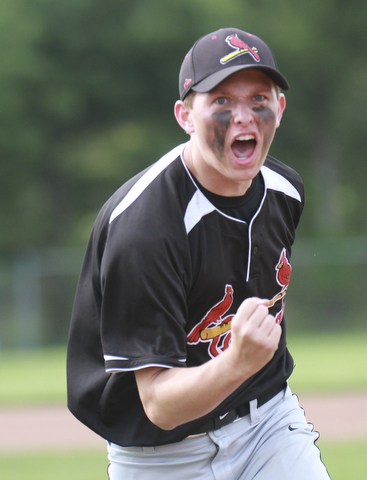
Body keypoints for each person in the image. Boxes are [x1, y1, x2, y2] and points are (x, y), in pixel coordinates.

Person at [67, 28, 331, 479]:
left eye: (258, 98)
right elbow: (159, 405)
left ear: (280, 109)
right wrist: (238, 362)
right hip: (162, 457)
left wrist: (246, 369)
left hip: (268, 425)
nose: (243, 116)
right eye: (221, 101)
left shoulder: (286, 191)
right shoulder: (144, 229)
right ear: (185, 115)